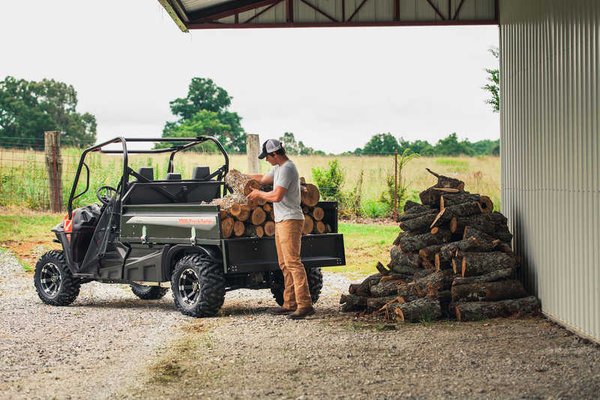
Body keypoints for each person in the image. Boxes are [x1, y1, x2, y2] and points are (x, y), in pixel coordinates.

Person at [247, 139, 314, 320]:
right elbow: (262, 178)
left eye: (267, 157)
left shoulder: (287, 169)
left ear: (275, 154)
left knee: (293, 262)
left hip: (291, 220)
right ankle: (289, 303)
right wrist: (243, 176)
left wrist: (258, 194)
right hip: (282, 220)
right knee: (284, 264)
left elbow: (277, 196)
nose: (266, 160)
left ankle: (305, 304)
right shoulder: (278, 169)